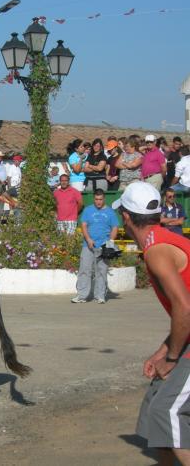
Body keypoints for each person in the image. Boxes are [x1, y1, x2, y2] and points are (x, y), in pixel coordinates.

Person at [111, 183, 190, 465]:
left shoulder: (157, 250)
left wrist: (172, 358)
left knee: (166, 411)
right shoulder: (162, 240)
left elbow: (185, 308)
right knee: (154, 409)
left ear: (127, 217)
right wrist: (162, 352)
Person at [71, 189, 118, 304]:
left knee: (101, 271)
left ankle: (100, 296)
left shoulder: (110, 212)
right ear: (94, 199)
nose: (98, 202)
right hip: (88, 245)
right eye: (96, 199)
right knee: (84, 270)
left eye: (100, 199)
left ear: (104, 199)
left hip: (103, 246)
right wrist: (88, 239)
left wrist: (110, 243)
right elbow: (84, 225)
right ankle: (81, 295)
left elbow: (114, 227)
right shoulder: (88, 210)